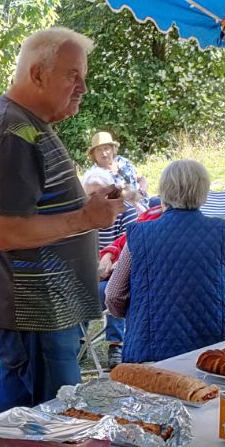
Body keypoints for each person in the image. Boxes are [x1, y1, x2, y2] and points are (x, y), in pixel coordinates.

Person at [0, 28, 125, 411]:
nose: (83, 87)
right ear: (37, 74)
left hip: (43, 316)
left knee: (36, 433)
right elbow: (6, 231)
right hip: (35, 316)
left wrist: (80, 207)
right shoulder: (12, 132)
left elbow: (31, 209)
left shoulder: (23, 125)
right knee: (45, 434)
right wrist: (87, 217)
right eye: (73, 75)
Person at [105, 160, 225, 363]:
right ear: (204, 191)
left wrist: (140, 313)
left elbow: (114, 294)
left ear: (164, 191)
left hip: (150, 352)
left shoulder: (140, 233)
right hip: (214, 352)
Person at [82, 132, 142, 369]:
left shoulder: (126, 212)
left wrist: (110, 266)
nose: (94, 201)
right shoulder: (82, 215)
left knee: (112, 288)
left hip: (117, 271)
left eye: (100, 195)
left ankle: (115, 345)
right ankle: (77, 340)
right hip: (90, 272)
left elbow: (130, 247)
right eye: (89, 197)